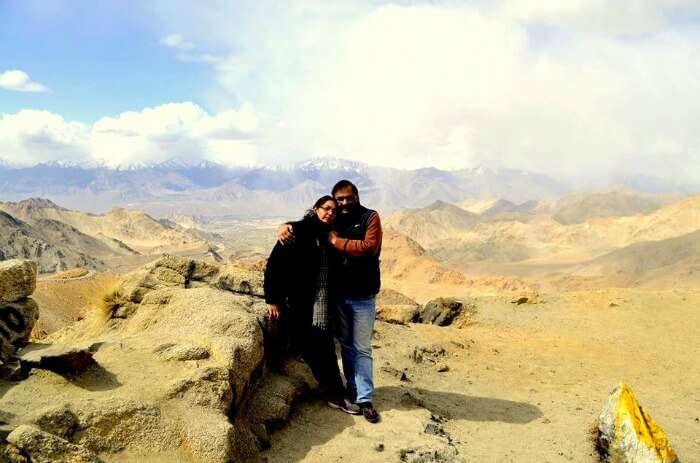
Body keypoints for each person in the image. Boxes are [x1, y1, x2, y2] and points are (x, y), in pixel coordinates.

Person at [278, 180, 383, 423]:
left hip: (363, 295)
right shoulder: (335, 219)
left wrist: (337, 242)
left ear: (356, 195)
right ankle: (352, 390)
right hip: (339, 295)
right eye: (340, 200)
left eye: (348, 198)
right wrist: (284, 226)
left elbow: (369, 247)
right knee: (346, 346)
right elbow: (310, 224)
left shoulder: (370, 217)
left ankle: (365, 398)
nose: (344, 203)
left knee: (362, 348)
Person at [264, 195, 360, 415]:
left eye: (334, 211)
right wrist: (272, 299)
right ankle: (336, 395)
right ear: (316, 208)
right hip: (299, 304)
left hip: (323, 306)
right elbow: (275, 265)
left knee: (324, 348)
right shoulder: (296, 231)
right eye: (326, 208)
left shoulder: (333, 234)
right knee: (319, 350)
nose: (330, 213)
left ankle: (336, 393)